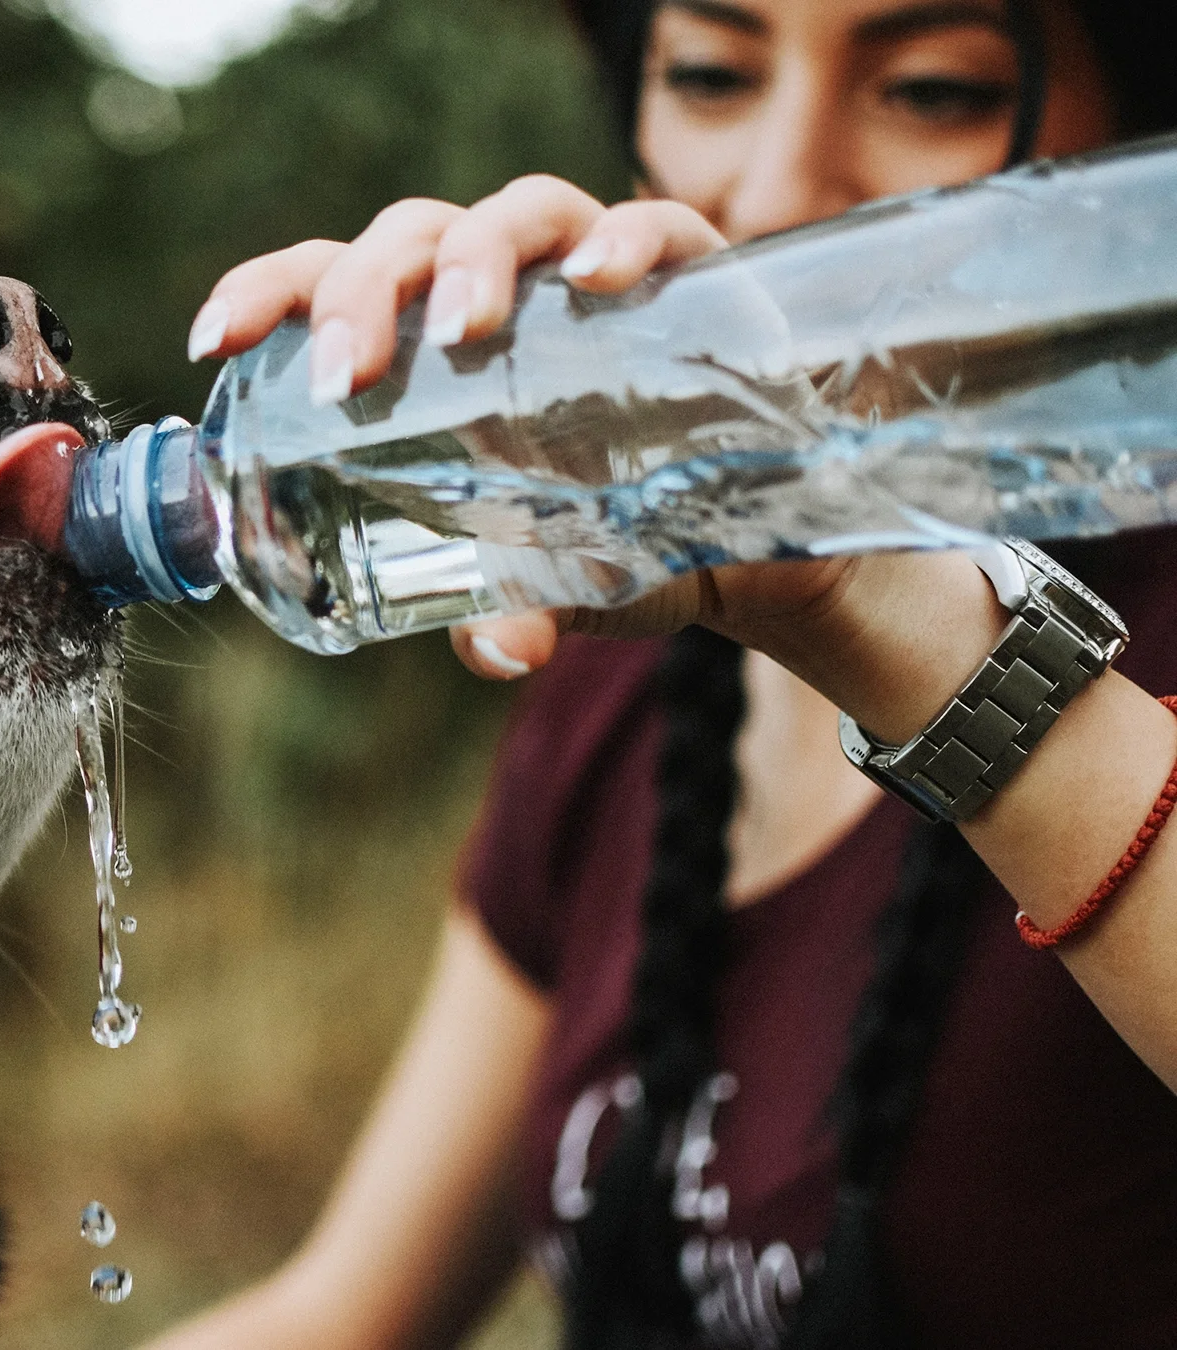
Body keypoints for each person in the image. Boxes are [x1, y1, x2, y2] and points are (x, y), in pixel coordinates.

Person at [147, 2, 1177, 1347]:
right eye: (709, 74)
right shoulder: (621, 678)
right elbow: (346, 1308)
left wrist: (871, 596)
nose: (778, 187)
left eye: (930, 89)